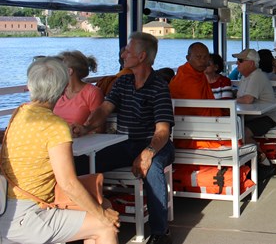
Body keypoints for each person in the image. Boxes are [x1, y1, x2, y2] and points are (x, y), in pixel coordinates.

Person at [0, 57, 120, 244]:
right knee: (104, 226)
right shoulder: (55, 126)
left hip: (7, 207)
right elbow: (68, 183)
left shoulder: (19, 113)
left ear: (30, 86)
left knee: (103, 204)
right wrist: (103, 216)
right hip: (29, 215)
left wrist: (102, 210)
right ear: (64, 88)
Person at [73, 32, 175, 244]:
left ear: (141, 56)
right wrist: (86, 127)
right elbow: (104, 109)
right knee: (78, 164)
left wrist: (148, 153)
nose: (123, 53)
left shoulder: (159, 87)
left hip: (157, 144)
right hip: (126, 143)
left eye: (128, 50)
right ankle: (82, 219)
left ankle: (160, 232)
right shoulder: (123, 82)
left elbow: (163, 131)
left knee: (153, 168)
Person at [232, 49, 276, 148]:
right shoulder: (245, 77)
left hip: (267, 117)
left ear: (251, 63)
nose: (237, 63)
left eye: (240, 60)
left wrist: (229, 101)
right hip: (250, 117)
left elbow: (248, 100)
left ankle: (262, 160)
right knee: (233, 129)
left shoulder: (257, 76)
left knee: (243, 134)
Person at [53, 50, 104, 127]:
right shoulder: (57, 91)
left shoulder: (92, 93)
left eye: (58, 69)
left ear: (69, 71)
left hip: (83, 138)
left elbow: (98, 128)